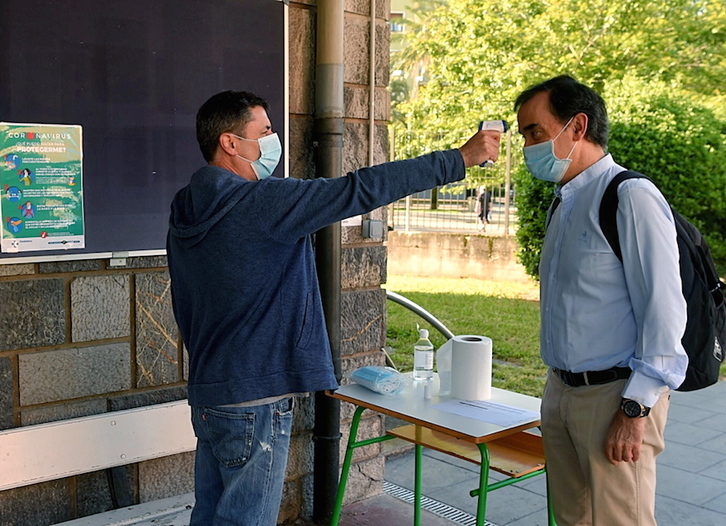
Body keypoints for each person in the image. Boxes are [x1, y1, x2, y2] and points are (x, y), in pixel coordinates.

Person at [166, 90, 501, 525]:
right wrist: (459, 158)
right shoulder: (263, 203)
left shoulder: (185, 207)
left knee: (211, 516)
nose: (273, 140)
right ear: (230, 143)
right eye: (264, 131)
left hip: (212, 393)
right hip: (258, 398)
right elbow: (361, 189)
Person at [514, 75, 687, 526]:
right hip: (561, 392)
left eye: (535, 131)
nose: (528, 145)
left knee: (619, 520)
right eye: (524, 135)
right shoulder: (564, 201)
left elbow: (665, 311)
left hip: (617, 398)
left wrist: (635, 409)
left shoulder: (629, 195)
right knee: (572, 519)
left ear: (577, 127)